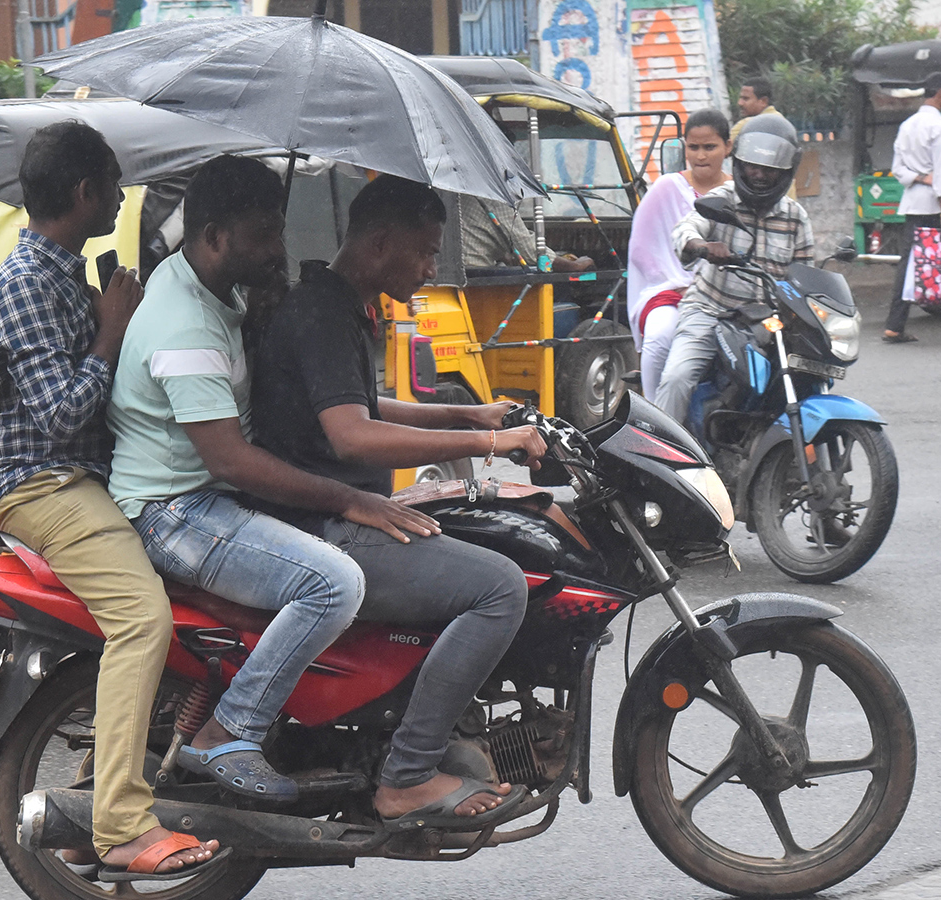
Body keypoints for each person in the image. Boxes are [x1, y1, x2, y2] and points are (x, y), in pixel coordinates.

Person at [107, 155, 446, 803]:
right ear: (212, 237)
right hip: (174, 510)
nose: (278, 251)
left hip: (209, 496)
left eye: (279, 232)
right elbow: (230, 458)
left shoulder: (221, 293)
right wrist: (351, 500)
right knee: (334, 582)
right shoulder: (182, 323)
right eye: (263, 236)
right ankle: (231, 730)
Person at [250, 174, 549, 831]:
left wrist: (465, 414)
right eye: (425, 252)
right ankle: (409, 775)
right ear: (381, 244)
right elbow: (351, 434)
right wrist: (493, 438)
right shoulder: (322, 313)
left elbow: (359, 403)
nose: (431, 267)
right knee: (500, 587)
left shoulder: (341, 303)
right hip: (325, 524)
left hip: (336, 511)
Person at [0, 121, 218, 878]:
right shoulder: (24, 286)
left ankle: (85, 814)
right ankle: (120, 826)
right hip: (39, 486)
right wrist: (110, 336)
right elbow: (60, 417)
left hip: (87, 482)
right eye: (113, 185)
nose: (120, 198)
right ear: (84, 193)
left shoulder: (69, 275)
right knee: (142, 620)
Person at [653, 115, 813, 427]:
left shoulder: (796, 218)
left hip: (768, 321)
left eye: (769, 168)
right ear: (738, 162)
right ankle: (658, 458)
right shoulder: (723, 199)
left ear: (786, 170)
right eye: (752, 165)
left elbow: (805, 276)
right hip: (711, 311)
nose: (759, 174)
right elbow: (686, 228)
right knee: (676, 377)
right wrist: (701, 245)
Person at [627, 108, 731, 402]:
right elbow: (641, 249)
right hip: (672, 293)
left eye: (709, 147)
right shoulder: (666, 187)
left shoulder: (738, 193)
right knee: (659, 339)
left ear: (728, 147)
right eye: (693, 147)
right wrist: (678, 282)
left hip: (729, 297)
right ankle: (654, 417)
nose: (700, 156)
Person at [883, 71, 941, 344]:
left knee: (908, 265)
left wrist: (918, 177)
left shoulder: (907, 125)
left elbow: (897, 169)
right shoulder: (939, 127)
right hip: (940, 206)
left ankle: (894, 325)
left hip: (914, 205)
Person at [459, 121, 593, 272]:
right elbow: (527, 248)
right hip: (476, 277)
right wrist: (574, 265)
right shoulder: (491, 192)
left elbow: (484, 235)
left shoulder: (457, 182)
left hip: (457, 271)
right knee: (557, 287)